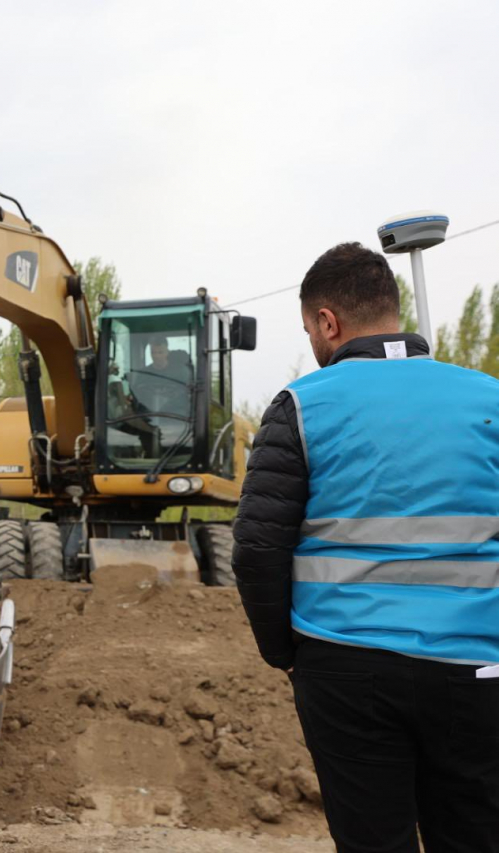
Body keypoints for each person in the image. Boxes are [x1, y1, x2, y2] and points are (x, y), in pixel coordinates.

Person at [232, 242, 499, 853]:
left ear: (328, 322)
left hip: (345, 668)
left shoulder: (301, 405)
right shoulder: (490, 398)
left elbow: (257, 549)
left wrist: (286, 655)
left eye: (309, 330)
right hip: (477, 670)